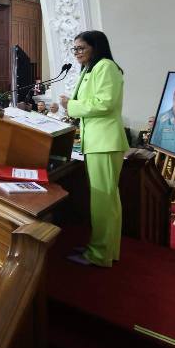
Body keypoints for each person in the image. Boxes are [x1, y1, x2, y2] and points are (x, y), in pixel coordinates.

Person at [60, 30, 128, 267]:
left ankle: (99, 254)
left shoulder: (105, 66)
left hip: (105, 142)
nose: (77, 53)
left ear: (95, 47)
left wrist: (71, 105)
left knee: (103, 201)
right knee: (106, 200)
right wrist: (72, 106)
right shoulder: (90, 68)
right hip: (98, 141)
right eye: (75, 49)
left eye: (81, 48)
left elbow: (104, 103)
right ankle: (107, 249)